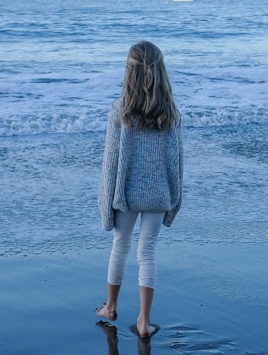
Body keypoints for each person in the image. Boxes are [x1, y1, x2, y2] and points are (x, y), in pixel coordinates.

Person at [96, 41, 184, 339]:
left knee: (120, 248)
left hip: (126, 194)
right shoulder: (170, 112)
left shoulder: (119, 111)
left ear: (129, 73)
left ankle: (111, 307)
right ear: (160, 72)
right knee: (147, 254)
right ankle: (145, 322)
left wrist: (105, 210)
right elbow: (176, 163)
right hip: (159, 195)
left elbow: (110, 165)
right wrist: (174, 203)